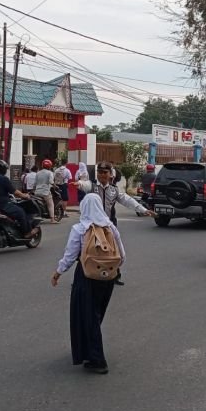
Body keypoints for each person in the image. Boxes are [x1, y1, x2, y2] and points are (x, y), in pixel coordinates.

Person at [51, 193, 126, 374]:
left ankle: (97, 359)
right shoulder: (110, 227)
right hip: (107, 278)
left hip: (86, 276)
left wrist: (58, 272)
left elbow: (70, 256)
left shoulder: (80, 228)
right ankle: (91, 349)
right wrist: (108, 270)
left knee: (86, 316)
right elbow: (121, 255)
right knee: (96, 315)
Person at [80, 161, 155, 285]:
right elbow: (84, 185)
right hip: (91, 225)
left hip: (108, 224)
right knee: (86, 249)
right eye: (100, 172)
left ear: (110, 174)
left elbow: (128, 200)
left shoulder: (114, 190)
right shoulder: (92, 186)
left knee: (113, 249)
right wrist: (79, 184)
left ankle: (114, 274)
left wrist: (143, 210)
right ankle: (83, 275)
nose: (102, 175)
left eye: (105, 172)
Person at [0, 159, 38, 238]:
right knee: (21, 212)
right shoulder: (4, 179)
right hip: (1, 205)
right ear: (2, 169)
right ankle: (27, 232)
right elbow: (14, 192)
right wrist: (25, 196)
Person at [34, 159, 58, 223]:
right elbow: (51, 181)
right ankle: (52, 219)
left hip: (37, 192)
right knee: (51, 204)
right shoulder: (50, 173)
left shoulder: (38, 173)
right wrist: (55, 186)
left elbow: (35, 183)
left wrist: (33, 190)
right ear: (50, 166)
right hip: (45, 192)